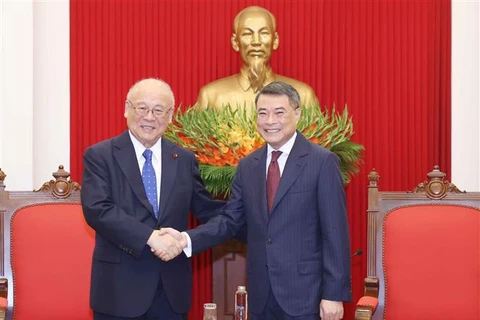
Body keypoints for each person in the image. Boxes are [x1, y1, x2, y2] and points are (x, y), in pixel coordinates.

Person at [161, 81, 351, 320]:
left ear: (297, 114)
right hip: (261, 296)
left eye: (279, 112)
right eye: (263, 113)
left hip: (307, 296)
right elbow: (230, 220)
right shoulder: (248, 166)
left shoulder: (322, 162)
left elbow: (335, 233)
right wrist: (186, 239)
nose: (270, 121)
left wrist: (333, 294)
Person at [81, 78, 225, 320]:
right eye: (142, 108)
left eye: (158, 110)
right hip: (118, 290)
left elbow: (207, 209)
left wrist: (255, 208)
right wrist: (149, 238)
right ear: (126, 109)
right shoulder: (100, 156)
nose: (149, 117)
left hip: (170, 292)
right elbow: (98, 210)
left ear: (170, 116)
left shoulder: (184, 159)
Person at [195, 6, 318, 112]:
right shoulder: (211, 97)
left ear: (275, 41)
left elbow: (315, 138)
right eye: (247, 34)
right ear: (235, 42)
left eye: (264, 33)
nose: (256, 42)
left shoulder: (303, 96)